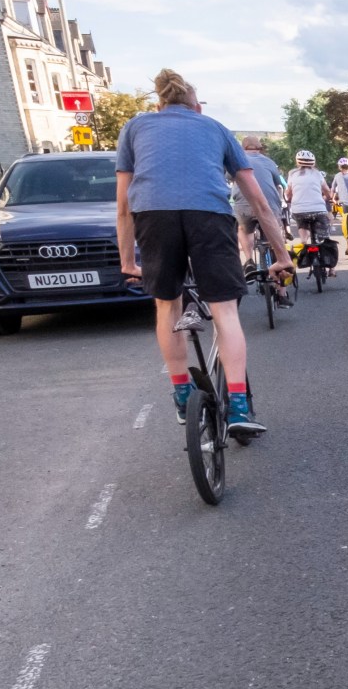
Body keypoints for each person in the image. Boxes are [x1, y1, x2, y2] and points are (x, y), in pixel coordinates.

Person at [116, 68, 292, 433]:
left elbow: (123, 206)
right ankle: (239, 409)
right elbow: (259, 203)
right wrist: (282, 256)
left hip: (154, 217)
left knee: (168, 306)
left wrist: (128, 262)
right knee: (225, 311)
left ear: (159, 105)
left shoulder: (135, 128)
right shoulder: (216, 128)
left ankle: (183, 395)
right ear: (197, 107)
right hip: (209, 217)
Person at [233, 136, 291, 306]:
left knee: (244, 229)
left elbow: (230, 177)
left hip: (244, 205)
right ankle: (282, 294)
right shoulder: (269, 162)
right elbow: (278, 183)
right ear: (260, 148)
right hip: (269, 206)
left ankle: (249, 261)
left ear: (243, 148)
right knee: (276, 244)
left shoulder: (236, 159)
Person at [286, 150, 334, 275]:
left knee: (302, 225)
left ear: (297, 162)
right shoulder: (318, 174)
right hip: (318, 210)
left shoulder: (292, 174)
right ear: (313, 162)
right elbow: (327, 191)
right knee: (324, 239)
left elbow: (288, 193)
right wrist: (328, 198)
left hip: (299, 210)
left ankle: (303, 243)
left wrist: (289, 199)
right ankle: (331, 268)